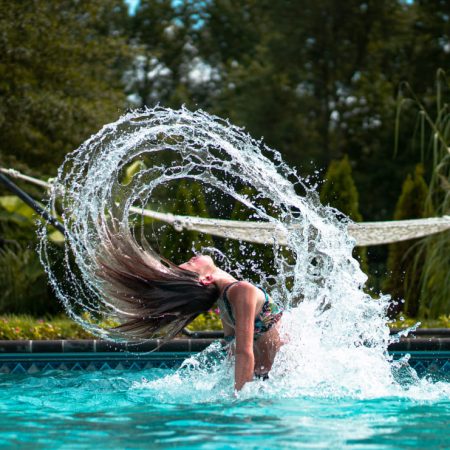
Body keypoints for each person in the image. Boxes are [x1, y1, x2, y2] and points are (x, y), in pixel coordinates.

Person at [96, 232, 283, 391]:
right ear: (206, 279)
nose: (190, 259)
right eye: (189, 264)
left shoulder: (225, 303)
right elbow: (243, 351)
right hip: (282, 376)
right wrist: (241, 404)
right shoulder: (241, 291)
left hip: (267, 378)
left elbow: (232, 353)